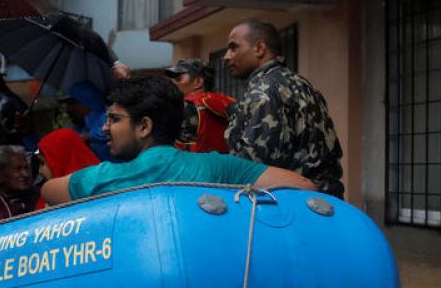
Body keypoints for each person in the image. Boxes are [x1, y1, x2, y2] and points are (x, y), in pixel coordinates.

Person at [41, 76, 314, 204]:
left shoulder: (106, 178)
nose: (104, 128)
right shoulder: (217, 168)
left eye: (114, 119)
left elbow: (49, 190)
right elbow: (302, 185)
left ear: (144, 126)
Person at [223, 18, 344, 199]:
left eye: (234, 47)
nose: (226, 56)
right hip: (325, 204)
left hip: (289, 207)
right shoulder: (300, 83)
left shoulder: (264, 92)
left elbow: (251, 171)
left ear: (259, 49)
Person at [164, 58, 233, 154]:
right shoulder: (228, 101)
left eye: (178, 79)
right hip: (224, 165)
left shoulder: (186, 104)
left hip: (191, 165)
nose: (173, 83)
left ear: (198, 82)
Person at [33, 128, 99, 209]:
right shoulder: (49, 197)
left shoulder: (98, 188)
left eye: (42, 163)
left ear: (58, 161)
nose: (40, 171)